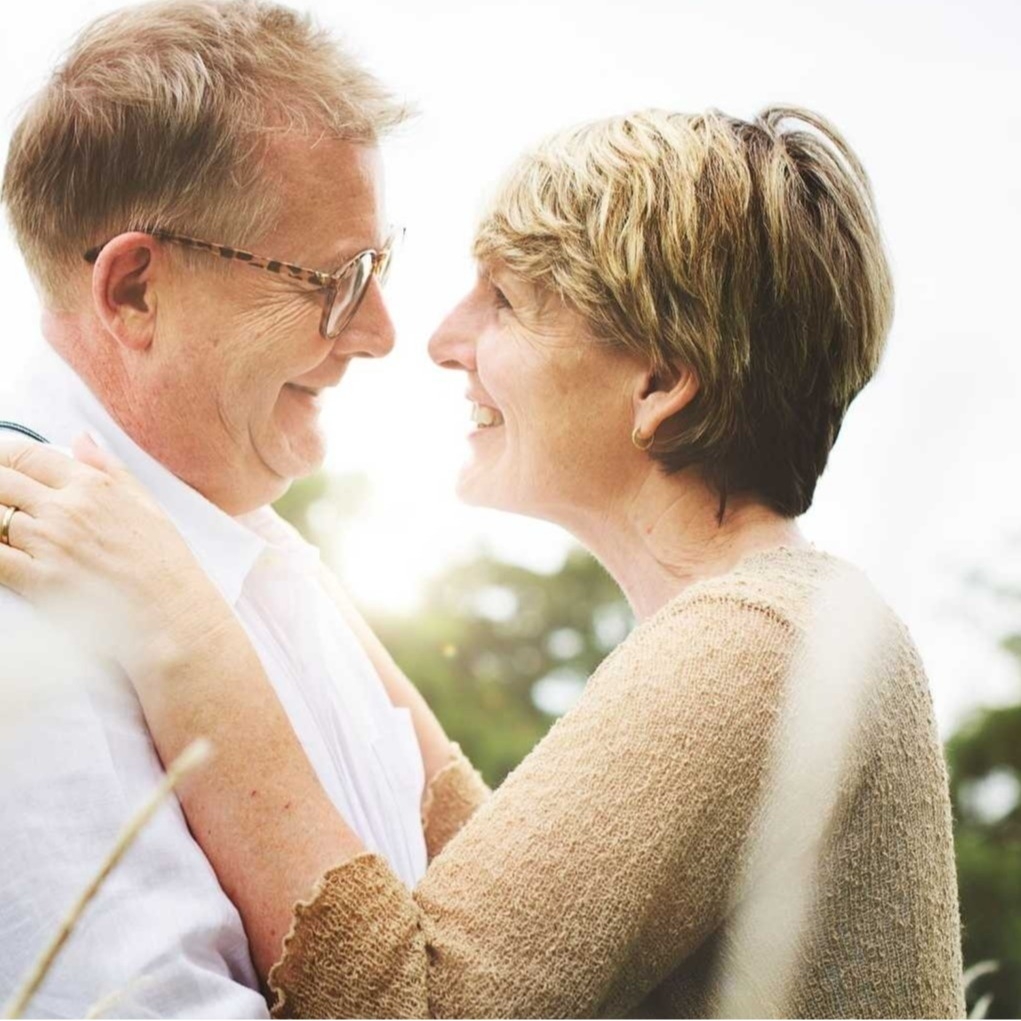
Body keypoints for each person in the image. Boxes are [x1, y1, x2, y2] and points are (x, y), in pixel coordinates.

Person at [0, 103, 967, 1017]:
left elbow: (413, 1002)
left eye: (502, 301)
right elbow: (501, 898)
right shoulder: (786, 621)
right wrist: (260, 548)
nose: (440, 339)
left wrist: (185, 631)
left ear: (661, 383)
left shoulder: (756, 650)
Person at [0, 1, 465, 1015]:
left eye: (377, 267)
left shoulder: (264, 552)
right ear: (133, 291)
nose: (381, 332)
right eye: (334, 281)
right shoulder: (22, 600)